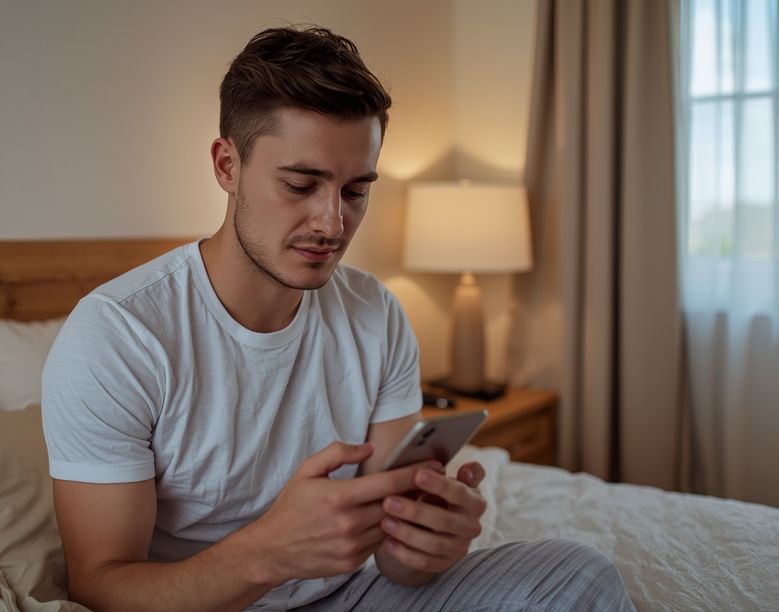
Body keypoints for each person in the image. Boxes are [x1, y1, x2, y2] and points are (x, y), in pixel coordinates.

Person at [41, 26, 634, 611]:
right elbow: (99, 586)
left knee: (577, 574)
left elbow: (395, 562)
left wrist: (423, 543)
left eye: (356, 192)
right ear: (227, 165)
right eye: (302, 184)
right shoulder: (119, 335)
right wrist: (268, 555)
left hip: (353, 593)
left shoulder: (374, 312)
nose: (332, 223)